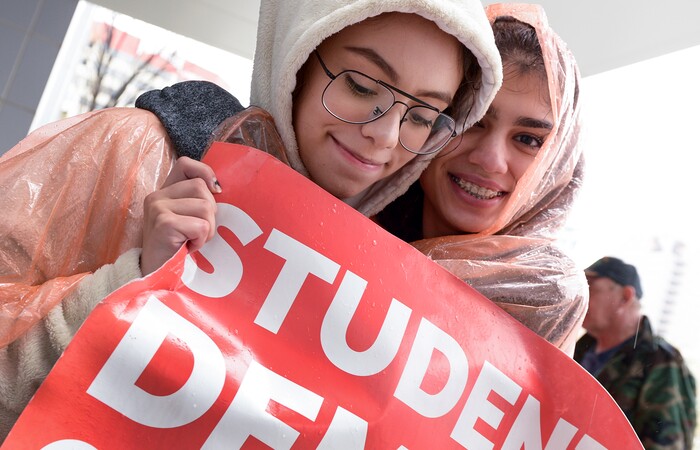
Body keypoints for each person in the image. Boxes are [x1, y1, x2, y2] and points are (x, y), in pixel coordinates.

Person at [0, 0, 504, 439]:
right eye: (362, 85)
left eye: (420, 117)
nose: (387, 135)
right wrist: (133, 283)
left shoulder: (379, 297)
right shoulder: (135, 150)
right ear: (296, 59)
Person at [376, 3, 587, 354]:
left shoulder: (543, 298)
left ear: (557, 163)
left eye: (529, 140)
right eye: (473, 120)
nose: (490, 160)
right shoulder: (337, 216)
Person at [574, 256, 697, 449]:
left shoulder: (661, 361)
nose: (580, 296)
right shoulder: (581, 347)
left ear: (625, 296)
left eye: (591, 288)